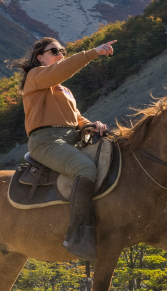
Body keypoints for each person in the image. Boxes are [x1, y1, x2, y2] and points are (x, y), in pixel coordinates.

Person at [13, 37, 117, 260]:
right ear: (39, 57)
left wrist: (90, 124)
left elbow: (76, 117)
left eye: (62, 51)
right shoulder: (35, 76)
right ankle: (77, 234)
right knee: (86, 170)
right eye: (54, 51)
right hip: (46, 141)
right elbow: (60, 71)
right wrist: (93, 53)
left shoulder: (64, 90)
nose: (60, 54)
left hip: (73, 138)